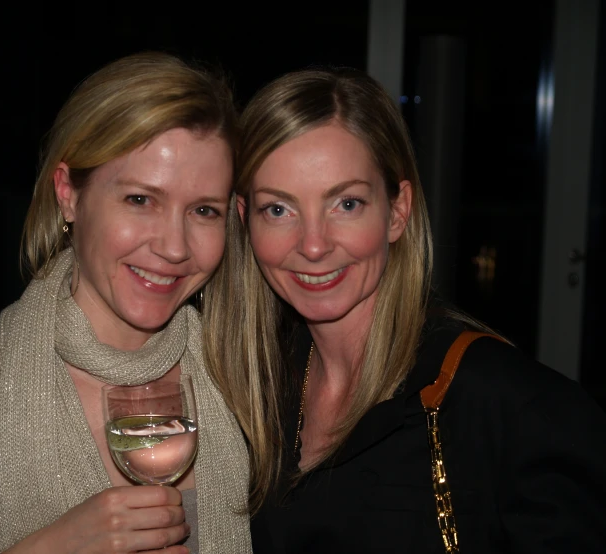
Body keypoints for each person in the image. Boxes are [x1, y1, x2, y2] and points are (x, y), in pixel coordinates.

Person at [203, 67, 606, 552]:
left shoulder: (513, 408)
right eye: (279, 209)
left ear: (397, 211)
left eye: (346, 204)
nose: (312, 245)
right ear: (245, 220)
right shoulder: (253, 389)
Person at [0, 52, 251, 554]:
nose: (174, 247)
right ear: (69, 193)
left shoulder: (238, 381)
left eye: (203, 210)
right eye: (140, 200)